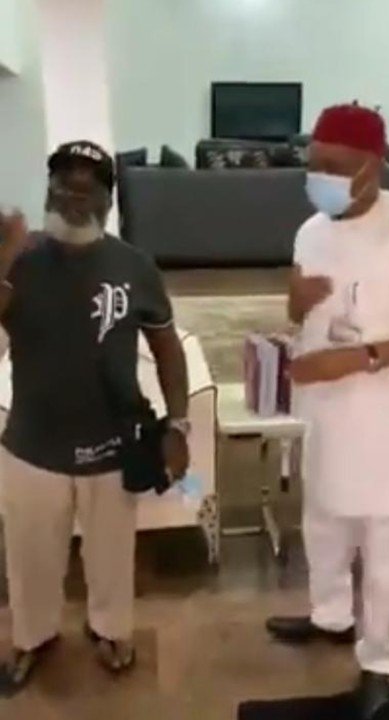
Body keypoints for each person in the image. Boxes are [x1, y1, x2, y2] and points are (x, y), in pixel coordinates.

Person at [0, 141, 190, 696]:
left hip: (113, 443)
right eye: (64, 184)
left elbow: (167, 348)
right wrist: (4, 258)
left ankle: (109, 630)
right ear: (48, 190)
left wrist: (178, 426)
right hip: (32, 445)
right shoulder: (19, 259)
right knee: (31, 557)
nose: (74, 196)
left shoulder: (134, 265)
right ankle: (32, 637)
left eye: (89, 187)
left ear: (109, 198)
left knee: (111, 555)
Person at [265, 104, 389, 719]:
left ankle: (378, 661)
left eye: (336, 167)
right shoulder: (311, 230)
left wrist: (356, 359)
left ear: (374, 167)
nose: (321, 178)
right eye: (314, 164)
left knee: (384, 548)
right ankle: (330, 616)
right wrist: (294, 303)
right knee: (323, 521)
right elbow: (301, 312)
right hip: (326, 410)